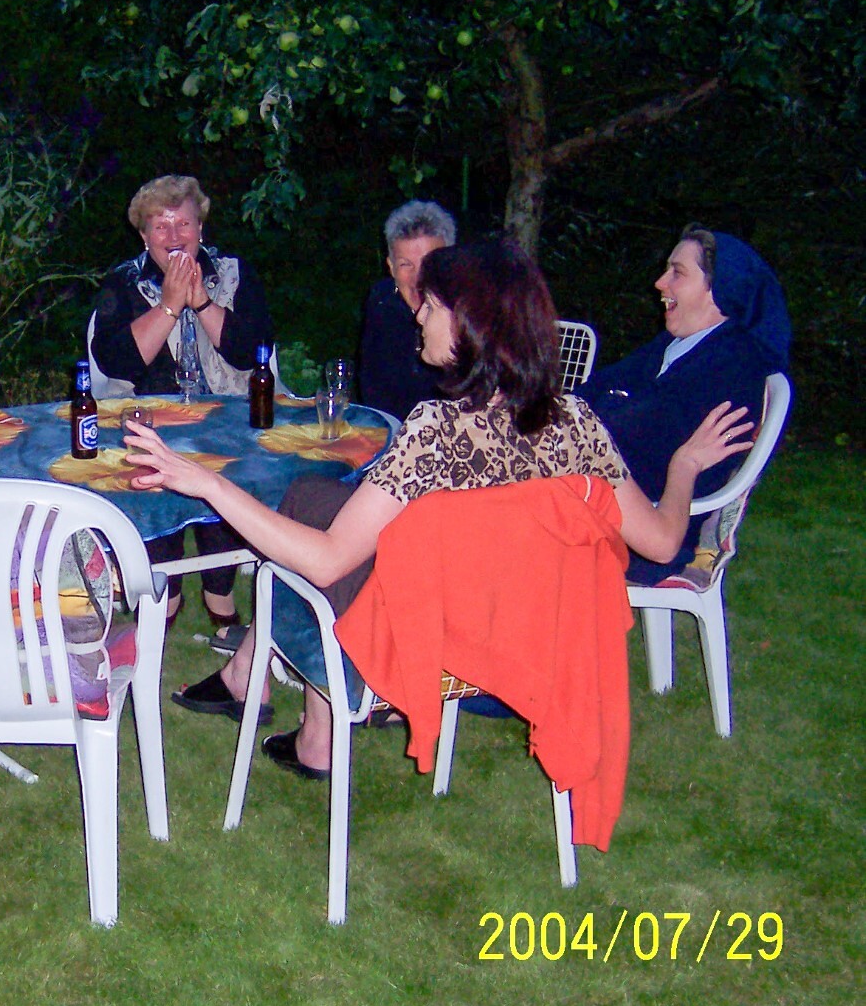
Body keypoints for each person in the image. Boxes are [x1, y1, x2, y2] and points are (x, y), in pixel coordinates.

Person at [127, 240, 753, 777]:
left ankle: (310, 716)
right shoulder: (576, 424)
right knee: (312, 498)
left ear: (468, 325)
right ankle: (288, 707)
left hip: (436, 648)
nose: (418, 316)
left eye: (430, 307)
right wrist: (683, 467)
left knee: (304, 543)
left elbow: (326, 562)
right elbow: (663, 543)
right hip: (533, 644)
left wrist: (208, 484)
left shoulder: (437, 432)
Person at [89, 174, 274, 632]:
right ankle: (165, 596)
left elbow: (253, 351)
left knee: (224, 460)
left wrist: (204, 303)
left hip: (226, 416)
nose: (173, 235)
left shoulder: (234, 273)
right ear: (144, 235)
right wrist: (169, 306)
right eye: (160, 225)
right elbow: (117, 363)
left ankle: (219, 593)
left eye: (183, 223)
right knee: (151, 464)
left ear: (200, 228)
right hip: (149, 420)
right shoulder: (123, 282)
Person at [576, 225, 788, 584]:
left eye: (678, 273)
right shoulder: (673, 346)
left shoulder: (733, 366)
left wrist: (597, 411)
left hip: (642, 531)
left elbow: (638, 440)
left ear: (719, 291)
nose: (660, 283)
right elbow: (589, 395)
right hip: (603, 503)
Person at [355, 200, 457, 421]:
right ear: (391, 267)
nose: (418, 278)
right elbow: (373, 391)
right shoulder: (382, 302)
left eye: (429, 262)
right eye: (405, 264)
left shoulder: (470, 315)